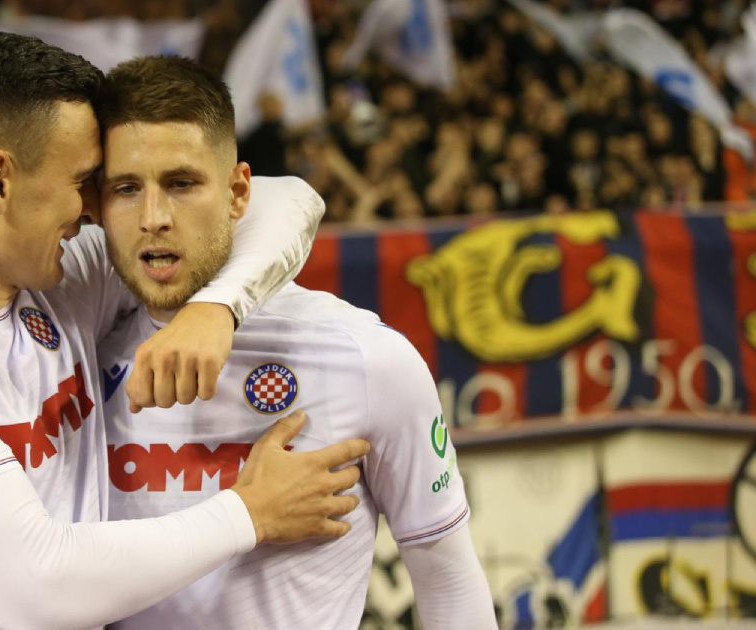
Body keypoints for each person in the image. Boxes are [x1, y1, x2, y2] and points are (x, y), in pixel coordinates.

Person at [0, 33, 369, 629]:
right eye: (82, 180)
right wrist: (250, 514)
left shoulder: (57, 280)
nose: (94, 209)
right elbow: (37, 589)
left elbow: (283, 198)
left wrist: (217, 307)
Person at [93, 56, 495, 628]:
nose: (153, 217)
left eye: (181, 184)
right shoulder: (80, 356)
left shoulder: (367, 358)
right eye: (126, 188)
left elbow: (448, 579)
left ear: (238, 193)